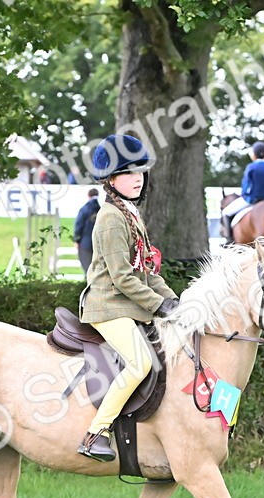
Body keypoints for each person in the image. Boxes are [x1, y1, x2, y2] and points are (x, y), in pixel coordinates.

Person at [76, 134, 179, 462]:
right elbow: (122, 278)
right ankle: (96, 433)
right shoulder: (109, 218)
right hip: (107, 305)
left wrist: (175, 301)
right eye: (127, 173)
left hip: (129, 303)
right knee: (140, 363)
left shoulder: (131, 214)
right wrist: (158, 305)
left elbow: (147, 271)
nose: (136, 178)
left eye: (140, 172)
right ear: (109, 180)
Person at [220, 141, 264, 241]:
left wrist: (244, 194)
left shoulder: (251, 167)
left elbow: (246, 185)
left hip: (251, 200)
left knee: (226, 212)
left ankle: (229, 239)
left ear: (254, 154)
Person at [73, 188, 100, 272]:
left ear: (88, 196)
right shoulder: (101, 209)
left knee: (87, 267)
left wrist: (77, 240)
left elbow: (79, 226)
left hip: (85, 243)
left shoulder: (84, 209)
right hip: (98, 242)